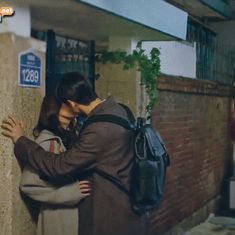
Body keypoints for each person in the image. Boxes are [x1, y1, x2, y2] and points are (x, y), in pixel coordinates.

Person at [1, 72, 147, 235]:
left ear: (71, 103)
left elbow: (59, 165)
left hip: (109, 215)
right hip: (129, 208)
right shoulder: (122, 111)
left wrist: (20, 140)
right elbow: (30, 183)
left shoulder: (98, 129)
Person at [20, 95, 91, 235]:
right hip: (58, 217)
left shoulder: (69, 137)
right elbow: (28, 184)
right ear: (54, 108)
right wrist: (70, 192)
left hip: (68, 216)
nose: (72, 105)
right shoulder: (48, 141)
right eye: (66, 102)